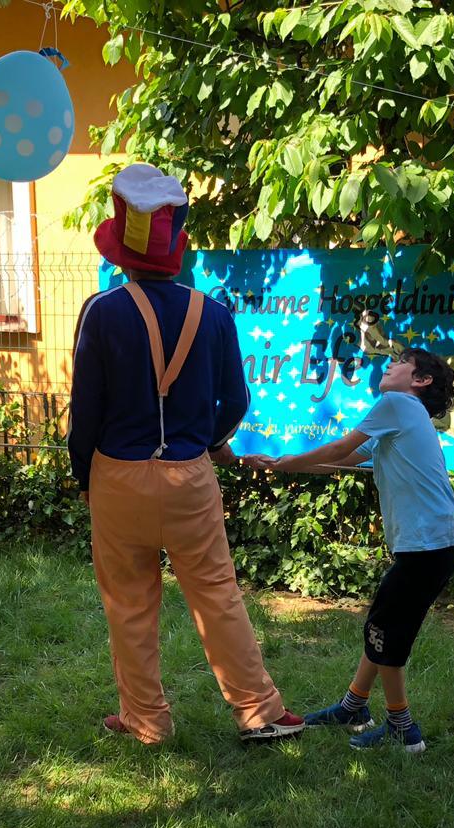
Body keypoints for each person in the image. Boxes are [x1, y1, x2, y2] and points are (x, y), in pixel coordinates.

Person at [67, 162, 304, 744]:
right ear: (177, 250)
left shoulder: (102, 311)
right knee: (217, 594)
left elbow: (85, 412)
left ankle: (146, 719)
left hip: (118, 477)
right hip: (190, 475)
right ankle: (259, 711)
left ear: (122, 254)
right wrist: (210, 442)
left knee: (128, 603)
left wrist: (84, 477)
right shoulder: (215, 314)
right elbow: (237, 400)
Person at [248, 348, 454, 752]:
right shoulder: (402, 418)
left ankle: (403, 729)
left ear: (421, 381)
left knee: (385, 631)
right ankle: (353, 707)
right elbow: (342, 461)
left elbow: (335, 451)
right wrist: (281, 462)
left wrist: (286, 466)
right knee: (385, 624)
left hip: (429, 545)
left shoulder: (398, 404)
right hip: (434, 544)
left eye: (401, 362)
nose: (390, 364)